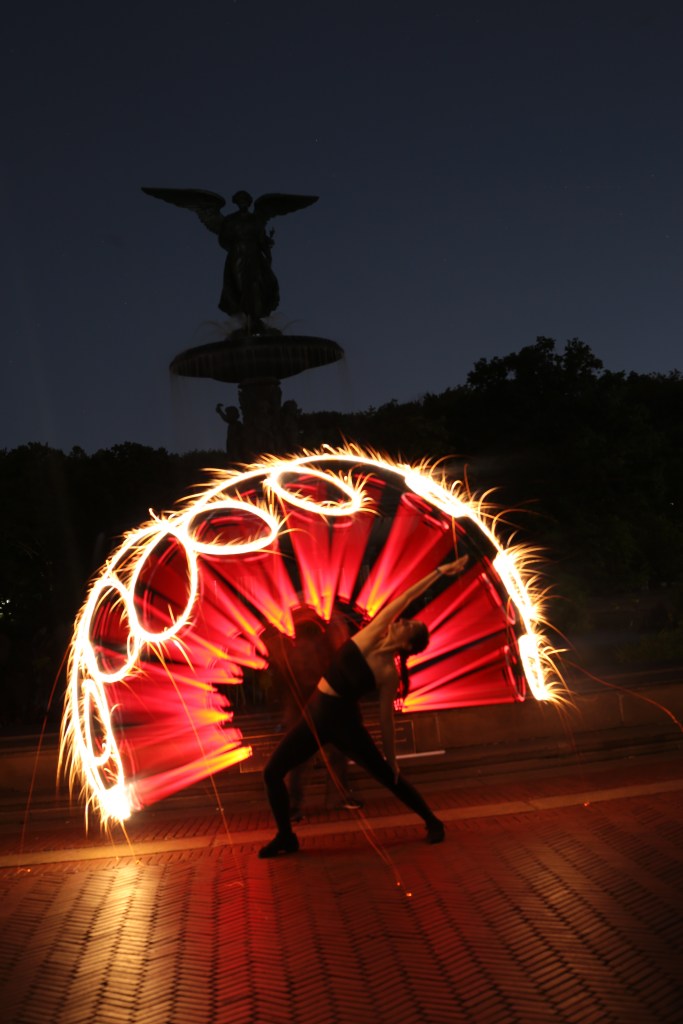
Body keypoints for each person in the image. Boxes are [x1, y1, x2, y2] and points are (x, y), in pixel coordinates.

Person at [258, 554, 469, 858]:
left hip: (345, 725)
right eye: (407, 620)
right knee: (272, 772)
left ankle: (433, 822)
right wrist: (439, 570)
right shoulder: (371, 635)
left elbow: (386, 719)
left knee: (388, 777)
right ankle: (285, 836)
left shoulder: (388, 673)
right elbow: (406, 597)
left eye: (408, 626)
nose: (402, 621)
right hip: (315, 713)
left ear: (407, 645)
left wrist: (392, 760)